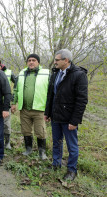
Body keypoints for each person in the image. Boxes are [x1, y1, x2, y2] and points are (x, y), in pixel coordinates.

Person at [45, 49, 88, 181]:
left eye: (57, 60)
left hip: (69, 118)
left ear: (66, 60)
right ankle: (56, 164)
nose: (55, 62)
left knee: (72, 145)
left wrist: (74, 121)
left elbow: (82, 100)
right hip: (56, 116)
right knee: (56, 142)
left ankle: (71, 170)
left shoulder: (79, 75)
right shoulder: (55, 73)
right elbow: (51, 95)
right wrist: (47, 113)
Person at [11, 54, 49, 160]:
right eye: (29, 60)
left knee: (40, 131)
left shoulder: (46, 74)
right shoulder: (22, 74)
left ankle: (42, 152)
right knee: (26, 130)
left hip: (39, 109)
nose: (31, 62)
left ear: (38, 62)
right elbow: (16, 90)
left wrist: (49, 109)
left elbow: (51, 92)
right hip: (24, 109)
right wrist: (13, 103)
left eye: (34, 60)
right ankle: (28, 149)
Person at [0, 56, 17, 149]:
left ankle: (7, 143)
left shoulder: (9, 73)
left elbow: (17, 84)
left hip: (5, 103)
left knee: (6, 123)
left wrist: (13, 96)